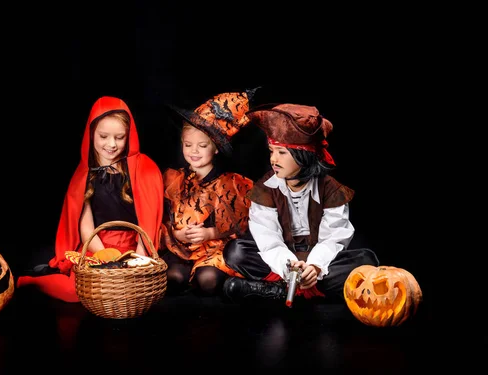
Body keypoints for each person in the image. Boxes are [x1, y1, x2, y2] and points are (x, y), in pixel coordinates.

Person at [222, 103, 379, 305]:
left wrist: (314, 267)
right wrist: (289, 267)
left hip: (319, 260)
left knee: (366, 260)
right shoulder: (265, 188)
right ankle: (297, 288)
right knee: (236, 251)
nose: (273, 159)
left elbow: (334, 237)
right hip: (282, 260)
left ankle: (277, 290)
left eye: (282, 153)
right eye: (271, 151)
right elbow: (268, 238)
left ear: (302, 155)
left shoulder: (330, 189)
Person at [16, 96, 164, 302]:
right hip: (98, 247)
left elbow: (149, 222)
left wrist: (138, 260)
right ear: (91, 133)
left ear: (129, 136)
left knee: (128, 292)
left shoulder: (145, 169)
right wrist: (105, 259)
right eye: (103, 136)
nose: (111, 144)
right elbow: (85, 226)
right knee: (83, 291)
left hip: (135, 248)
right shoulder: (85, 174)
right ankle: (30, 281)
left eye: (119, 137)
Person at [160, 88, 257, 296]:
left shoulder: (229, 184)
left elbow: (240, 226)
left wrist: (209, 233)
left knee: (208, 281)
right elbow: (163, 219)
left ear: (215, 149)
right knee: (173, 279)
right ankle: (185, 277)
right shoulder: (174, 179)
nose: (194, 151)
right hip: (181, 248)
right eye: (188, 145)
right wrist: (177, 233)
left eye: (202, 146)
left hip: (212, 249)